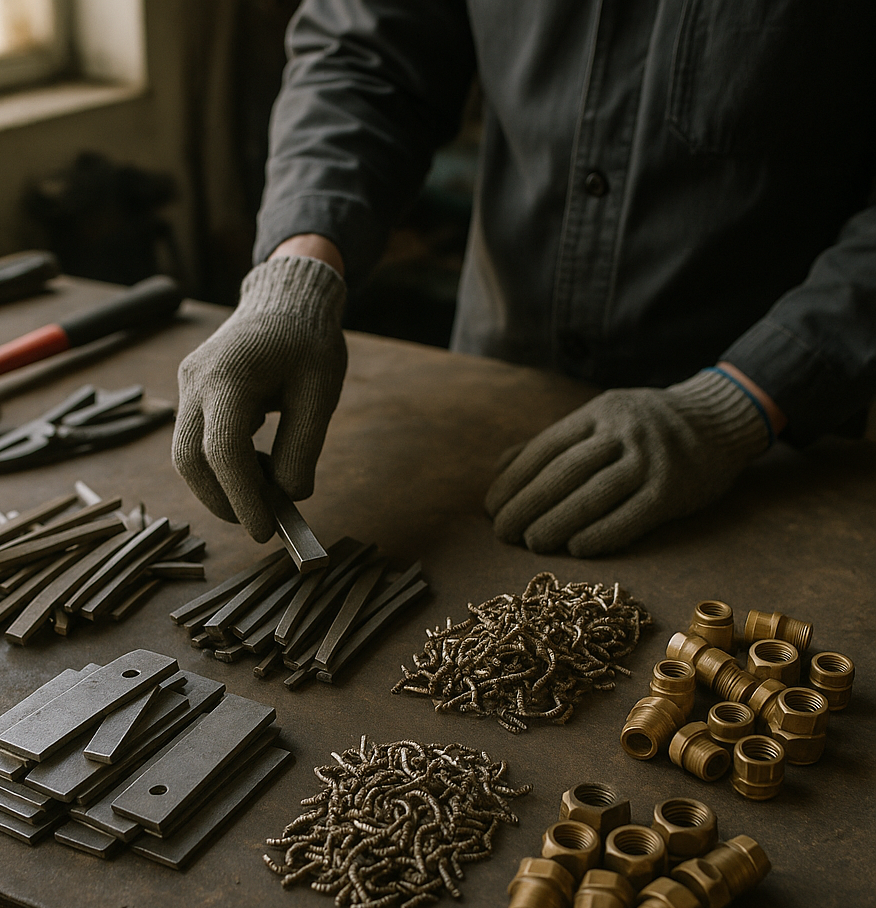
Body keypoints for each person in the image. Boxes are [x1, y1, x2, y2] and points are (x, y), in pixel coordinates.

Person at [172, 1, 876, 557]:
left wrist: (744, 401)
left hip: (772, 432)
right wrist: (296, 271)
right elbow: (366, 57)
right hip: (493, 381)